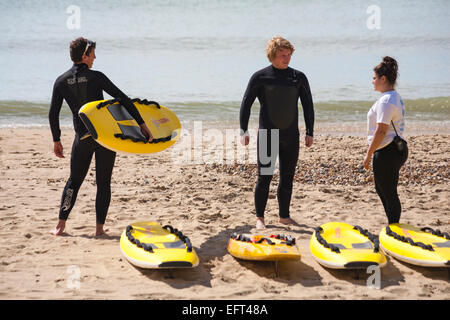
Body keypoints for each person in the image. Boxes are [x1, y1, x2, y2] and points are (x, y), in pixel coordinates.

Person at [49, 37, 153, 236]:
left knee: (74, 181)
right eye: (93, 53)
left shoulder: (61, 80)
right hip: (105, 138)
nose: (95, 57)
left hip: (82, 138)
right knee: (103, 182)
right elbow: (122, 99)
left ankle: (60, 226)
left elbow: (53, 113)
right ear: (85, 55)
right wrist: (141, 123)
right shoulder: (96, 77)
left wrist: (57, 140)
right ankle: (99, 230)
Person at [239, 36, 315, 229]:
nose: (287, 59)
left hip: (291, 135)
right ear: (272, 55)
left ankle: (284, 216)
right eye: (282, 55)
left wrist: (310, 131)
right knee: (264, 176)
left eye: (289, 55)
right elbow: (246, 104)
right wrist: (243, 130)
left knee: (287, 177)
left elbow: (308, 106)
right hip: (268, 134)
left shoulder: (298, 77)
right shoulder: (260, 77)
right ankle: (260, 218)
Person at [364, 56, 408, 224]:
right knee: (383, 189)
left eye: (374, 78)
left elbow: (381, 130)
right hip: (393, 149)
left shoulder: (387, 100)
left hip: (387, 150)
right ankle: (393, 224)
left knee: (388, 192)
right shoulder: (393, 96)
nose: (372, 81)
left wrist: (368, 154)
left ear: (383, 79)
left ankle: (394, 227)